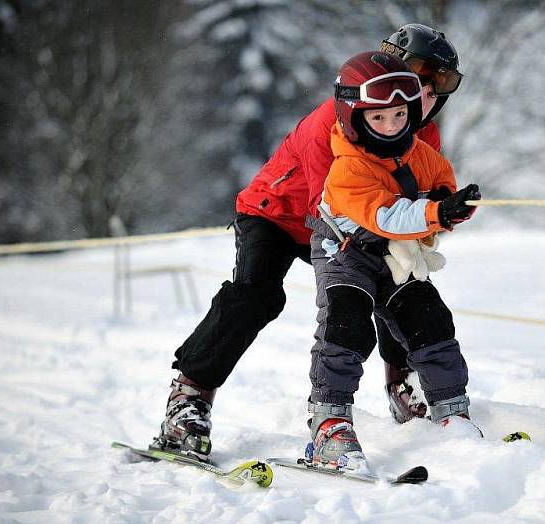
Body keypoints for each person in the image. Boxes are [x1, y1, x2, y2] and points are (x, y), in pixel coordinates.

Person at [151, 24, 465, 461]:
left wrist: (438, 210)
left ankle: (403, 381)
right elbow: (333, 208)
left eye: (441, 82)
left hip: (360, 221)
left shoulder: (416, 130)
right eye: (419, 74)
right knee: (258, 296)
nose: (427, 91)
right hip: (281, 215)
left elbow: (415, 201)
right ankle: (189, 399)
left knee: (398, 280)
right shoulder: (333, 122)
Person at [305, 51, 481, 472]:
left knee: (430, 319)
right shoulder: (349, 166)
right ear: (354, 116)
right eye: (378, 118)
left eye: (399, 115)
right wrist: (433, 212)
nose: (391, 126)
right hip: (346, 253)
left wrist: (450, 203)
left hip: (396, 255)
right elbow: (386, 215)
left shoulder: (418, 151)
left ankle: (451, 411)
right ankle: (329, 420)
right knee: (347, 324)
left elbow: (440, 180)